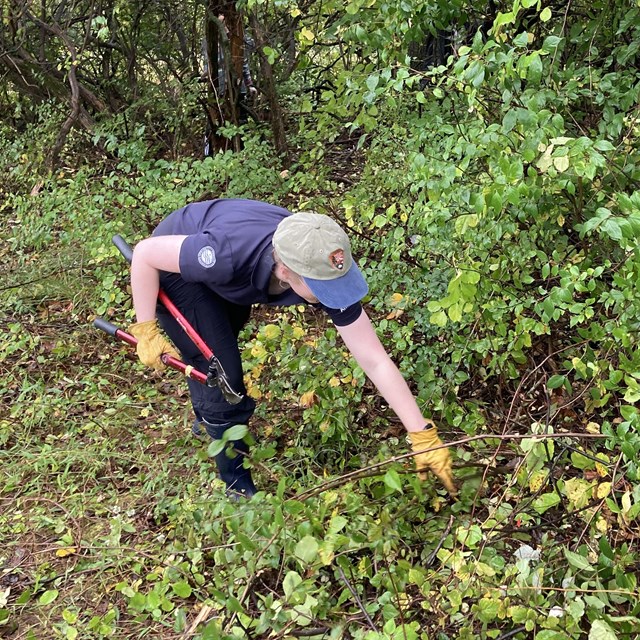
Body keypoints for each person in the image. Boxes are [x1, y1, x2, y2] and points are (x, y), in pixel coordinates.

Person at [129, 199, 456, 498]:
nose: (333, 293)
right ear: (285, 271)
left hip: (228, 277)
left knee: (220, 338)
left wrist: (421, 432)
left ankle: (208, 415)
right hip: (172, 266)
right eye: (321, 287)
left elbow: (374, 358)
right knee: (219, 367)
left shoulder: (317, 254)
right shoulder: (225, 255)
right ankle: (234, 482)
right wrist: (145, 329)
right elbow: (144, 254)